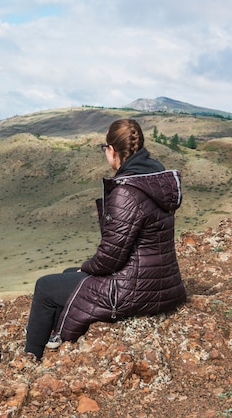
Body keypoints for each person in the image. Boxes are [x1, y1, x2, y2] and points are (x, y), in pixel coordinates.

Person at [24, 119, 186, 360]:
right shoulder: (154, 179)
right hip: (164, 285)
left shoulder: (127, 190)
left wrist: (86, 267)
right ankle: (54, 334)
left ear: (111, 150)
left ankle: (29, 357)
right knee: (70, 273)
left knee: (45, 286)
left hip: (132, 290)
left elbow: (111, 259)